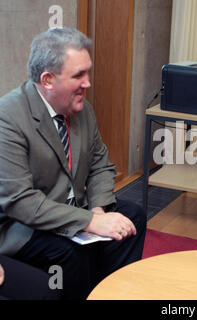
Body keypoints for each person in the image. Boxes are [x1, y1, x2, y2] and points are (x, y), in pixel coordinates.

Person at [0, 27, 147, 299]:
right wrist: (88, 221)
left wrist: (99, 210)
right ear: (47, 80)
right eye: (78, 75)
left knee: (133, 216)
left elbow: (101, 164)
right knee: (67, 252)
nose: (88, 83)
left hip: (74, 205)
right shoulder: (8, 117)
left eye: (88, 72)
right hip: (23, 225)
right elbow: (20, 202)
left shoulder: (82, 109)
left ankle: (109, 294)